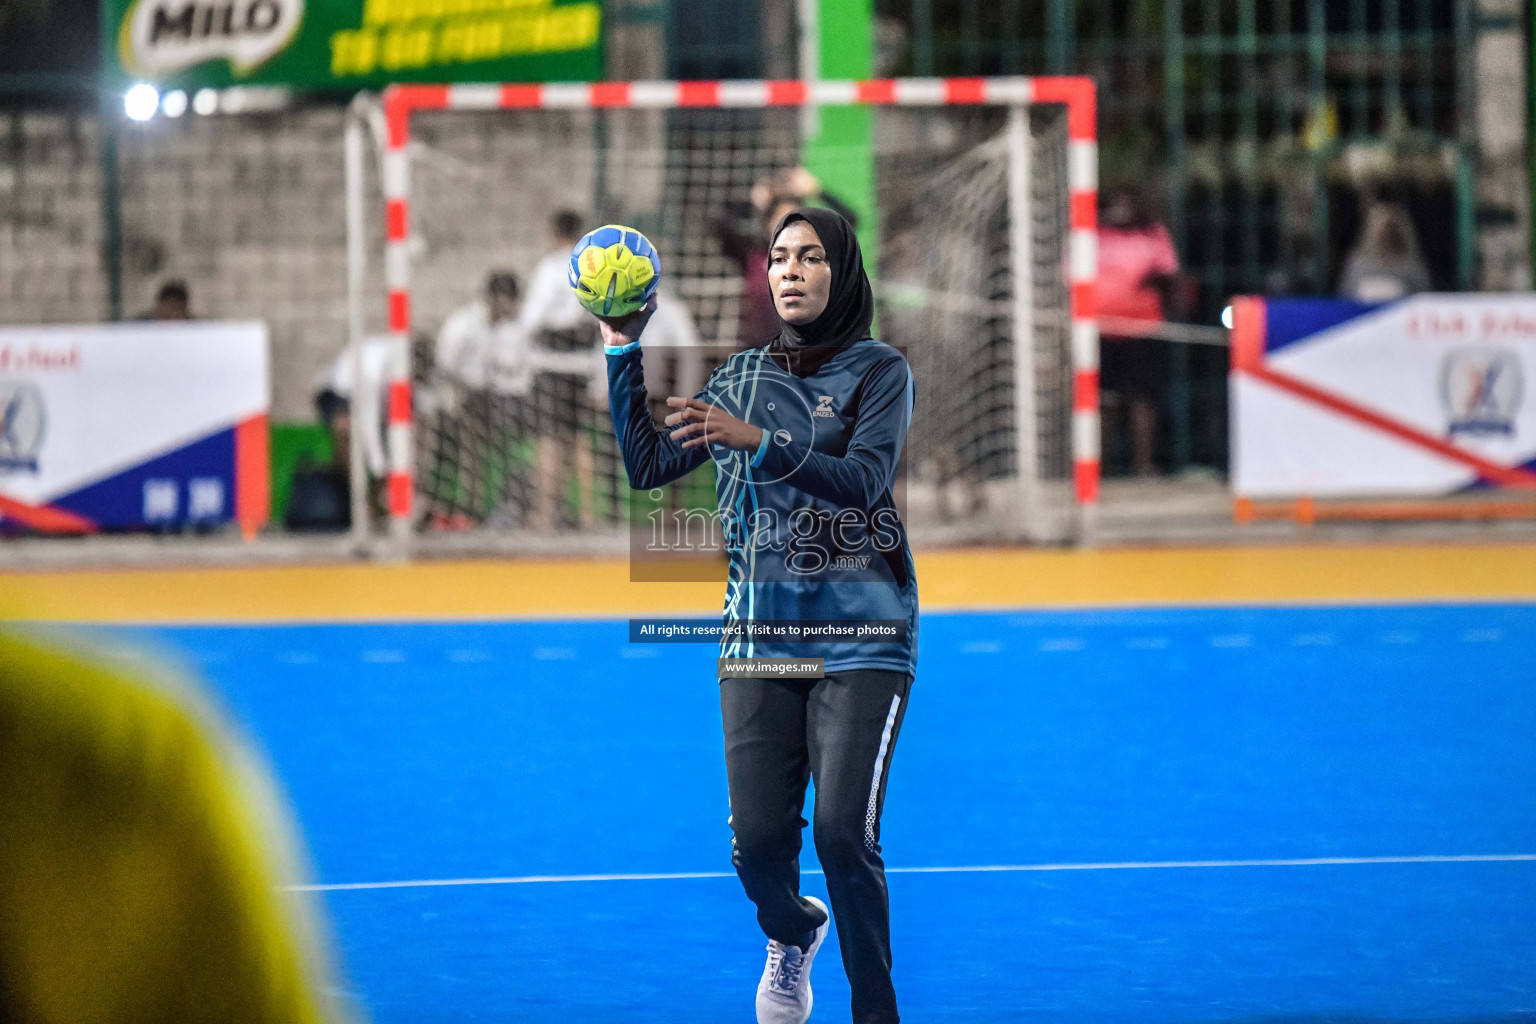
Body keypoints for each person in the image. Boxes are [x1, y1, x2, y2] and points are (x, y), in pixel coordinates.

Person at [598, 207, 917, 1024]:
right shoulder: (739, 374)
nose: (790, 270)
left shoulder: (880, 373)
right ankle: (792, 931)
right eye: (779, 257)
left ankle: (876, 1014)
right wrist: (622, 344)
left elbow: (864, 482)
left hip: (863, 636)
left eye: (810, 257)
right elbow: (648, 465)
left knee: (845, 836)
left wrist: (759, 442)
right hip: (757, 639)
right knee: (757, 851)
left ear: (841, 272)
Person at [521, 210, 603, 529]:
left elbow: (532, 319)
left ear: (554, 233)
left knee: (549, 441)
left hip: (552, 363)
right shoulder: (596, 268)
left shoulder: (550, 268)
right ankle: (588, 515)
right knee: (580, 441)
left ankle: (544, 514)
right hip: (582, 365)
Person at [716, 167, 860, 350]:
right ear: (768, 224)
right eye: (780, 220)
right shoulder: (753, 255)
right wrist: (752, 202)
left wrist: (817, 191)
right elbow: (721, 223)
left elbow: (850, 222)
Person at [1096, 185, 1183, 477]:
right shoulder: (1091, 234)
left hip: (1143, 330)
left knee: (1142, 399)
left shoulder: (1152, 233)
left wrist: (1157, 284)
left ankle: (1144, 467)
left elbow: (1171, 275)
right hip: (1100, 330)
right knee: (1102, 400)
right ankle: (1099, 468)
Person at [430, 271, 527, 526]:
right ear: (497, 299)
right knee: (469, 449)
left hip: (483, 400)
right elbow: (441, 366)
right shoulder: (463, 324)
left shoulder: (504, 330)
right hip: (451, 401)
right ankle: (463, 509)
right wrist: (458, 394)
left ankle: (485, 506)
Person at [1339, 200, 1431, 302]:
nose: (1387, 234)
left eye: (1392, 229)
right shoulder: (1357, 263)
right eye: (1384, 229)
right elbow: (1346, 294)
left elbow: (1423, 295)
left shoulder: (1411, 264)